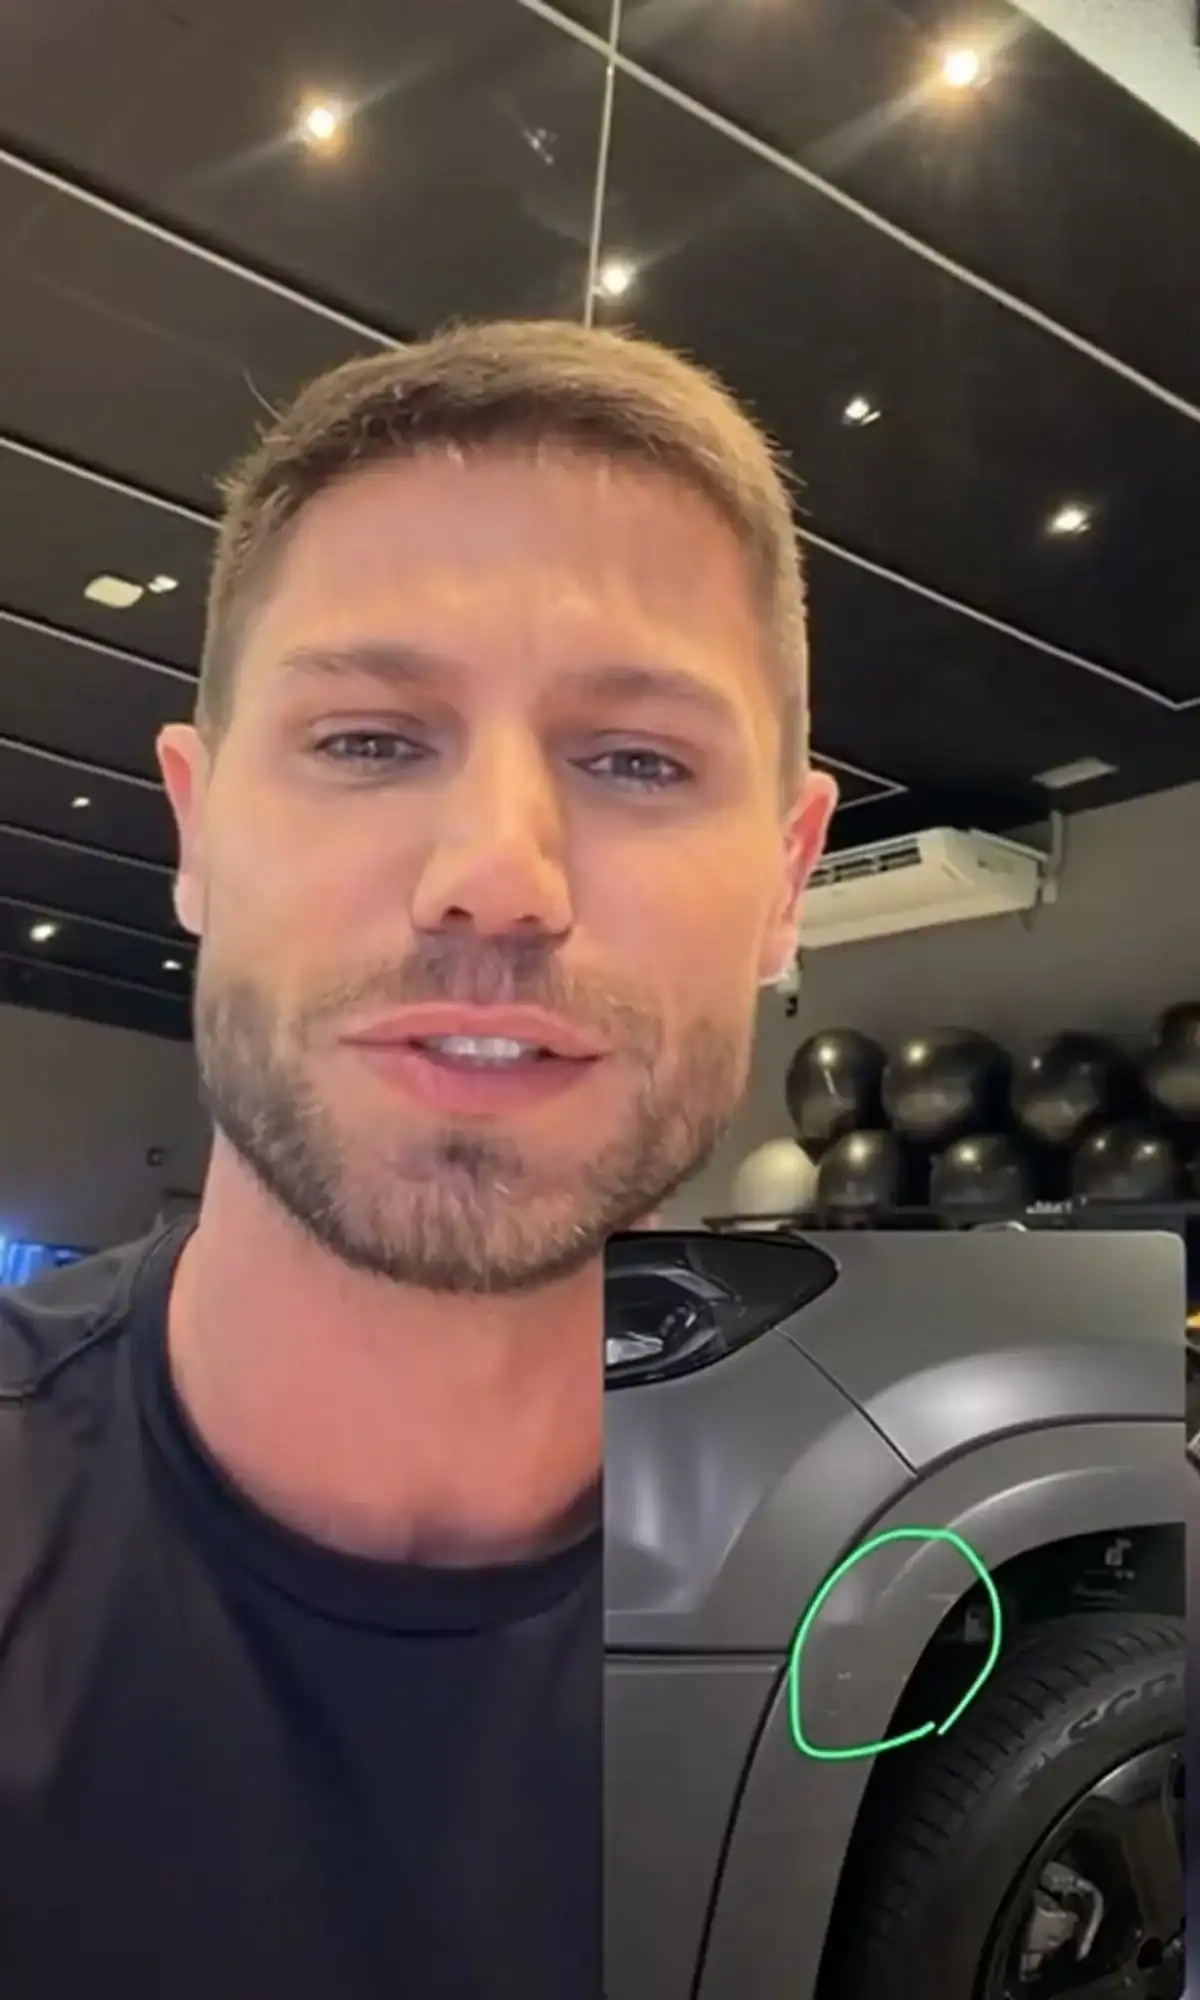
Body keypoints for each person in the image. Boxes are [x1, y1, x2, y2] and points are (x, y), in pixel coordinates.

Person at [0, 319, 835, 1997]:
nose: (498, 878)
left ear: (786, 878)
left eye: (638, 760)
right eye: (370, 739)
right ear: (195, 829)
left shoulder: (933, 1609)